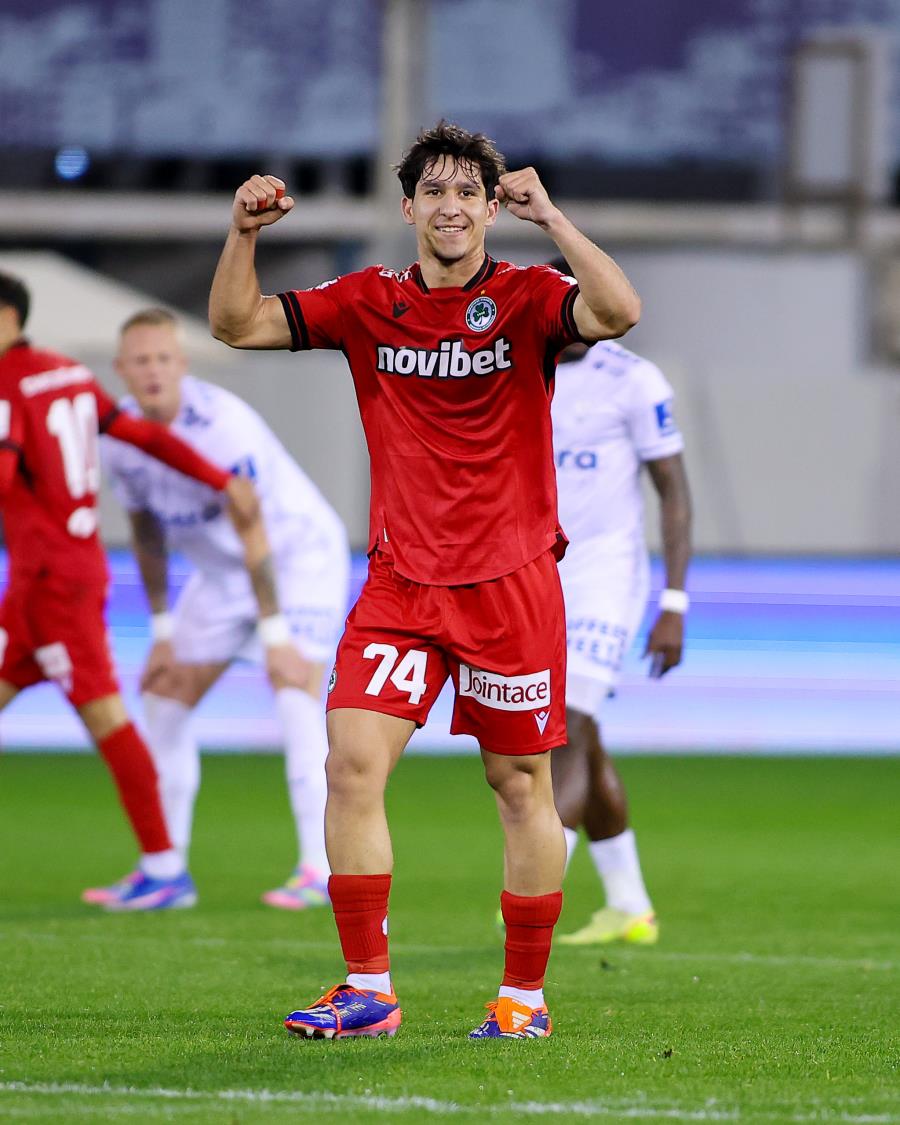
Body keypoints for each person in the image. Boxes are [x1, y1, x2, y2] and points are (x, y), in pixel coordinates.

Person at [208, 121, 641, 1041]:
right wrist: (242, 234)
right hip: (400, 585)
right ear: (408, 209)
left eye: (467, 192)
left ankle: (523, 1000)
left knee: (519, 786)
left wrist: (552, 218)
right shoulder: (367, 301)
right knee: (350, 765)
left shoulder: (528, 296)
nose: (451, 207)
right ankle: (369, 987)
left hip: (510, 585)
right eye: (434, 192)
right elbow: (237, 324)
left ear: (491, 208)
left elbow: (618, 312)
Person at [0, 270, 258, 910]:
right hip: (52, 576)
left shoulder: (6, 382)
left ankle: (165, 868)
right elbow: (140, 434)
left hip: (51, 586)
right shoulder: (66, 372)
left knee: (108, 718)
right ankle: (162, 867)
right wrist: (218, 478)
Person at [98, 307, 350, 909]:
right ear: (121, 369)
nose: (153, 370)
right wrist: (162, 631)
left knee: (295, 695)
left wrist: (275, 637)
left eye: (164, 358)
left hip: (296, 559)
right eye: (141, 360)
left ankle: (320, 871)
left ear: (182, 365)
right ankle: (165, 870)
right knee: (163, 696)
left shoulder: (221, 425)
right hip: (219, 575)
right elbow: (146, 532)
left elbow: (251, 523)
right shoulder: (119, 441)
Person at [547, 258, 692, 945]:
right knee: (583, 735)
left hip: (605, 576)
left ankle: (535, 882)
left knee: (567, 725)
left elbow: (674, 491)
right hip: (532, 577)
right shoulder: (514, 369)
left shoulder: (634, 380)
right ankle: (629, 904)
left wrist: (674, 601)